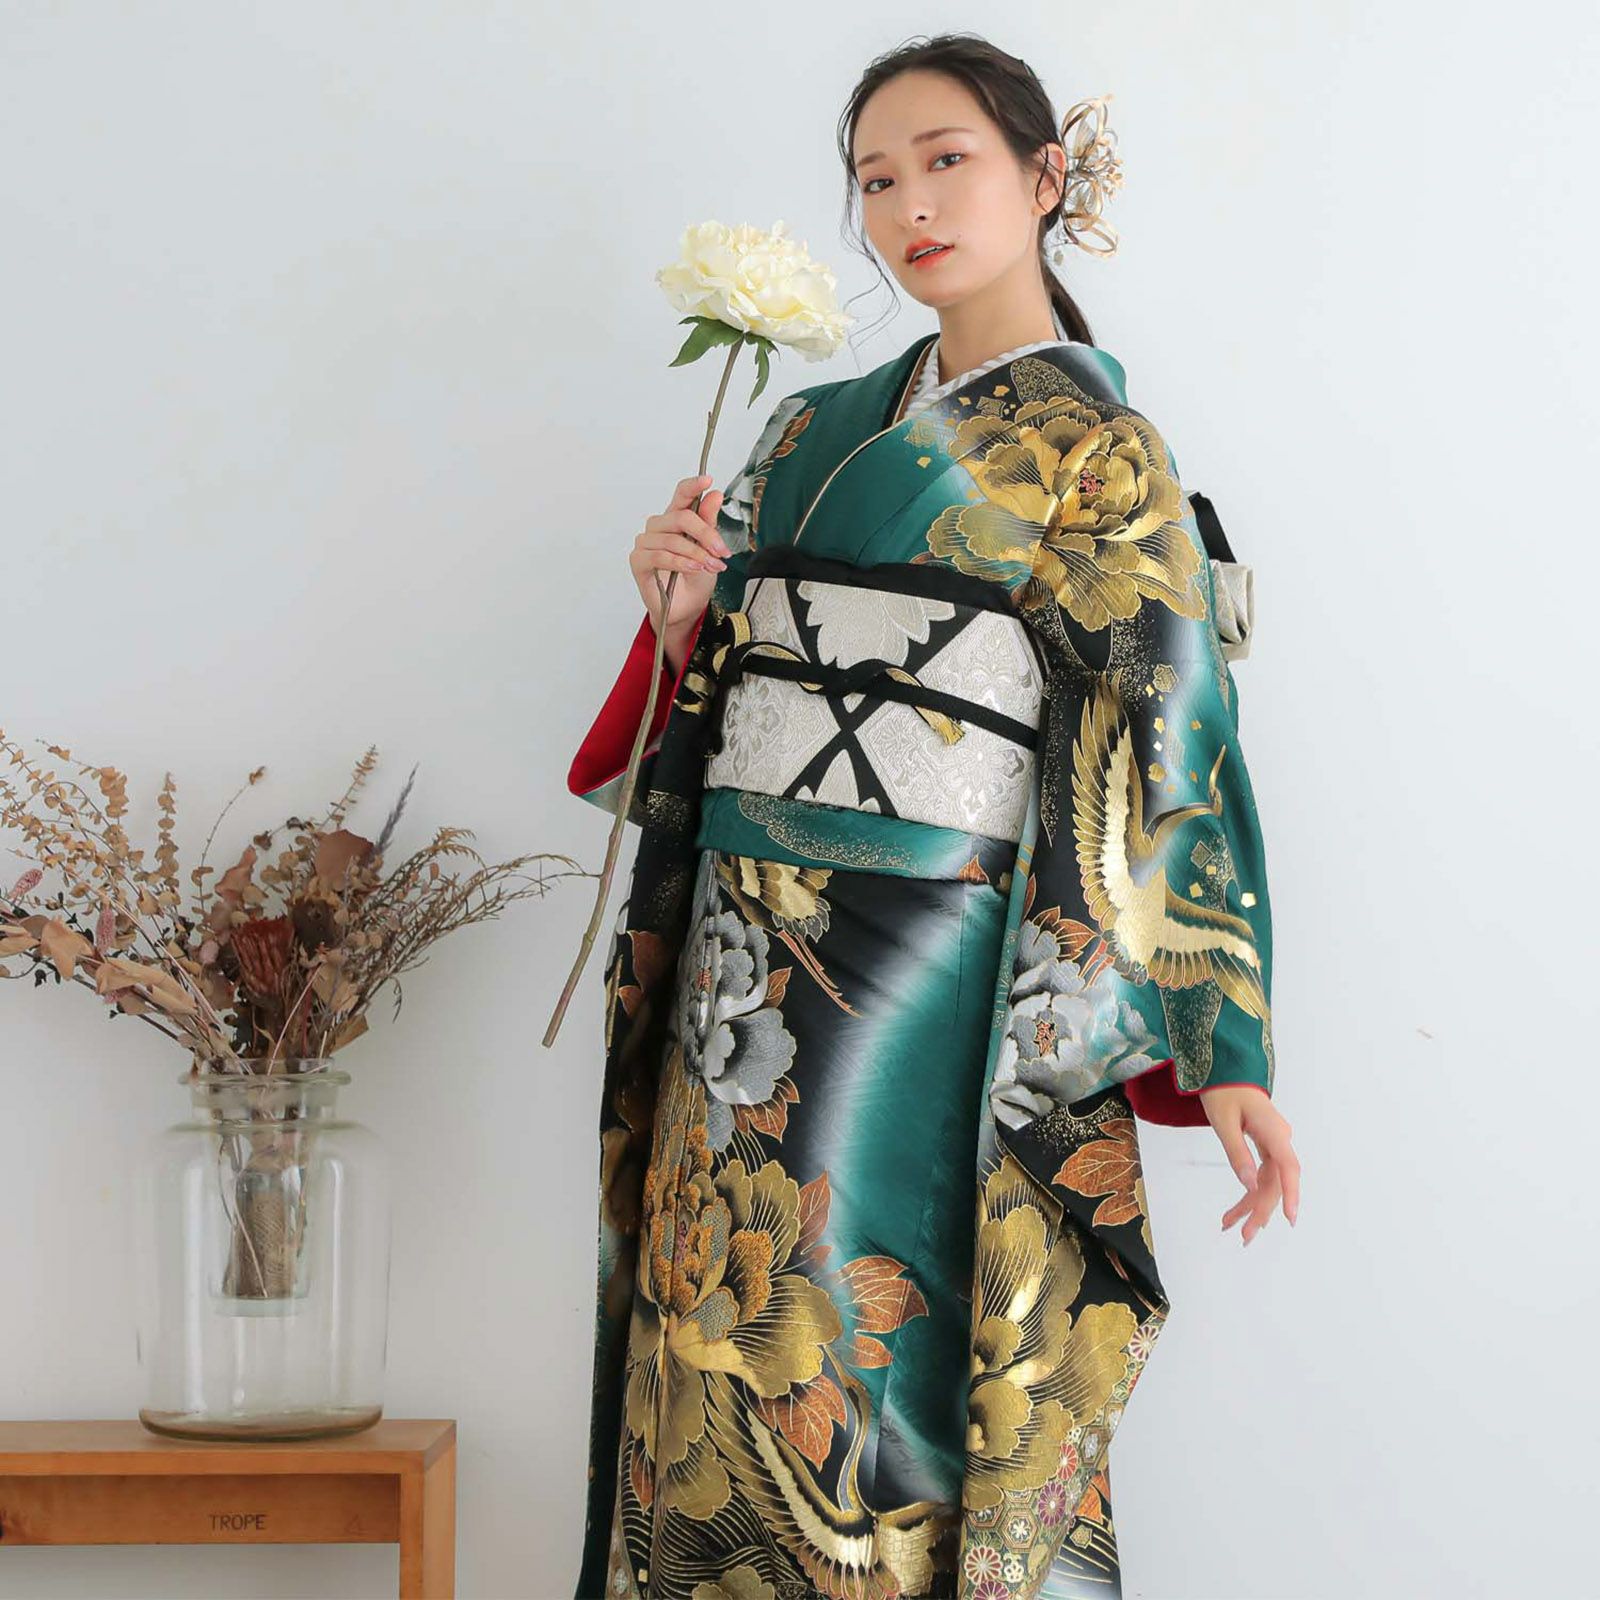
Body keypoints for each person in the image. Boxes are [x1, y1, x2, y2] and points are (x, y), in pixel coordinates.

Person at [565, 32, 1301, 1600]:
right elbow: (724, 697)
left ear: (1045, 178)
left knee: (874, 1343)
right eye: (876, 179)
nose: (909, 206)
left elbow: (1165, 738)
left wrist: (1224, 1047)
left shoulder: (1105, 459)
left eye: (947, 162)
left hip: (931, 979)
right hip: (740, 970)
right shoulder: (800, 430)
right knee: (715, 1312)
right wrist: (684, 624)